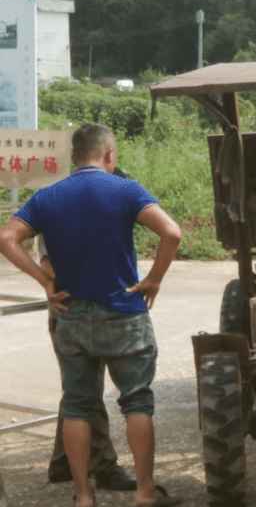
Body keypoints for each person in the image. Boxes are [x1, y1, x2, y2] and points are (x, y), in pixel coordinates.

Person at [0, 124, 183, 507]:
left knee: (77, 406)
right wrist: (153, 279)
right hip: (123, 314)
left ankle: (83, 496)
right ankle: (145, 492)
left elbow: (6, 238)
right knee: (137, 402)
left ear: (73, 157)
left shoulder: (47, 196)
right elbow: (172, 233)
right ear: (110, 154)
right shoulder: (127, 191)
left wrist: (44, 283)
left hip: (71, 315)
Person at [41, 248, 137, 492]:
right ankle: (104, 466)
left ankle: (64, 462)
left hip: (88, 305)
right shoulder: (57, 210)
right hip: (75, 309)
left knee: (78, 388)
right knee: (87, 391)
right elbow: (47, 264)